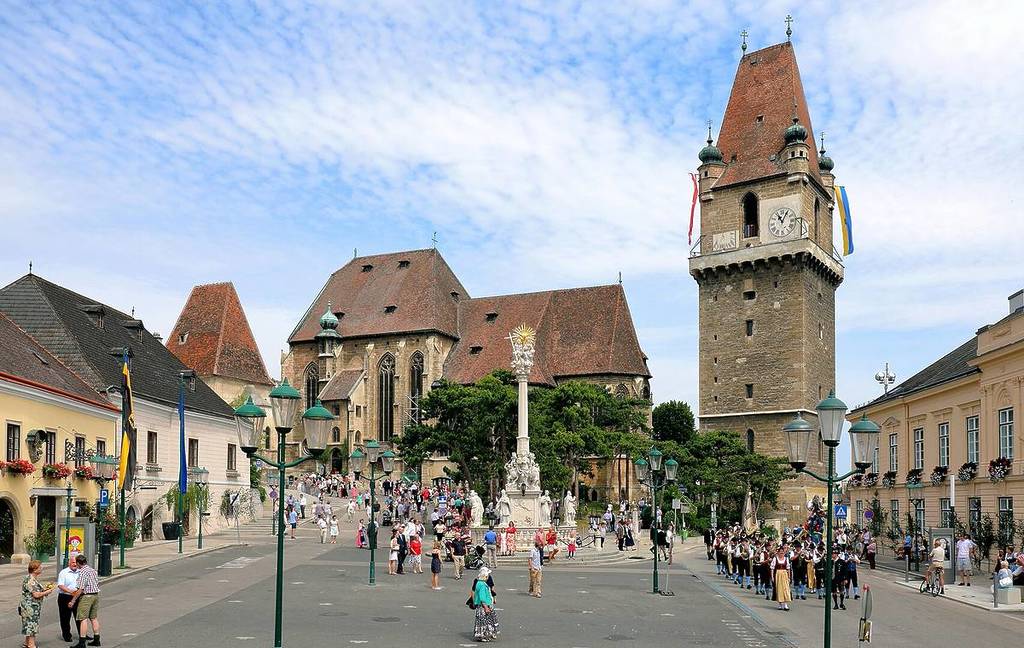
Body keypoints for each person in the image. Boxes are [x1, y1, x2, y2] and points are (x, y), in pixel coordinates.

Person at [20, 560, 55, 648]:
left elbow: (37, 591)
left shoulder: (32, 579)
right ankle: (31, 645)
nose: (41, 568)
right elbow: (36, 594)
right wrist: (48, 592)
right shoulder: (30, 580)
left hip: (32, 606)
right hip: (30, 607)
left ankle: (27, 642)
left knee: (29, 624)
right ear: (35, 569)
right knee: (32, 624)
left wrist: (46, 589)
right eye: (40, 567)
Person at [70, 554, 101, 648]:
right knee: (93, 618)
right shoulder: (92, 570)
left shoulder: (83, 572)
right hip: (95, 595)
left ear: (79, 563)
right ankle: (97, 639)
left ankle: (82, 642)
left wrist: (73, 601)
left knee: (83, 619)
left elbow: (80, 589)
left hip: (87, 597)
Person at [470, 566, 500, 642]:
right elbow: (482, 597)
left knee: (482, 621)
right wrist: (486, 607)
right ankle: (484, 635)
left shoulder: (479, 583)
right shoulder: (482, 585)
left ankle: (485, 634)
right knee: (486, 620)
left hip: (481, 605)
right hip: (484, 605)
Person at [56, 556, 81, 642]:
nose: (75, 564)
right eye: (73, 562)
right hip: (65, 596)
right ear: (69, 563)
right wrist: (71, 592)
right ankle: (66, 635)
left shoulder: (80, 572)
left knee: (79, 617)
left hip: (77, 596)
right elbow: (60, 585)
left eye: (76, 562)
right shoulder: (63, 572)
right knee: (65, 617)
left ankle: (82, 634)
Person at [771, 546, 792, 611]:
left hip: (784, 574)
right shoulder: (775, 559)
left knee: (785, 589)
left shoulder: (786, 559)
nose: (781, 554)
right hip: (778, 574)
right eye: (780, 553)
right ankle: (780, 604)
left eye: (782, 553)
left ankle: (785, 605)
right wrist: (772, 577)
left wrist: (789, 577)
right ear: (778, 553)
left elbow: (788, 569)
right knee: (779, 589)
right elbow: (772, 568)